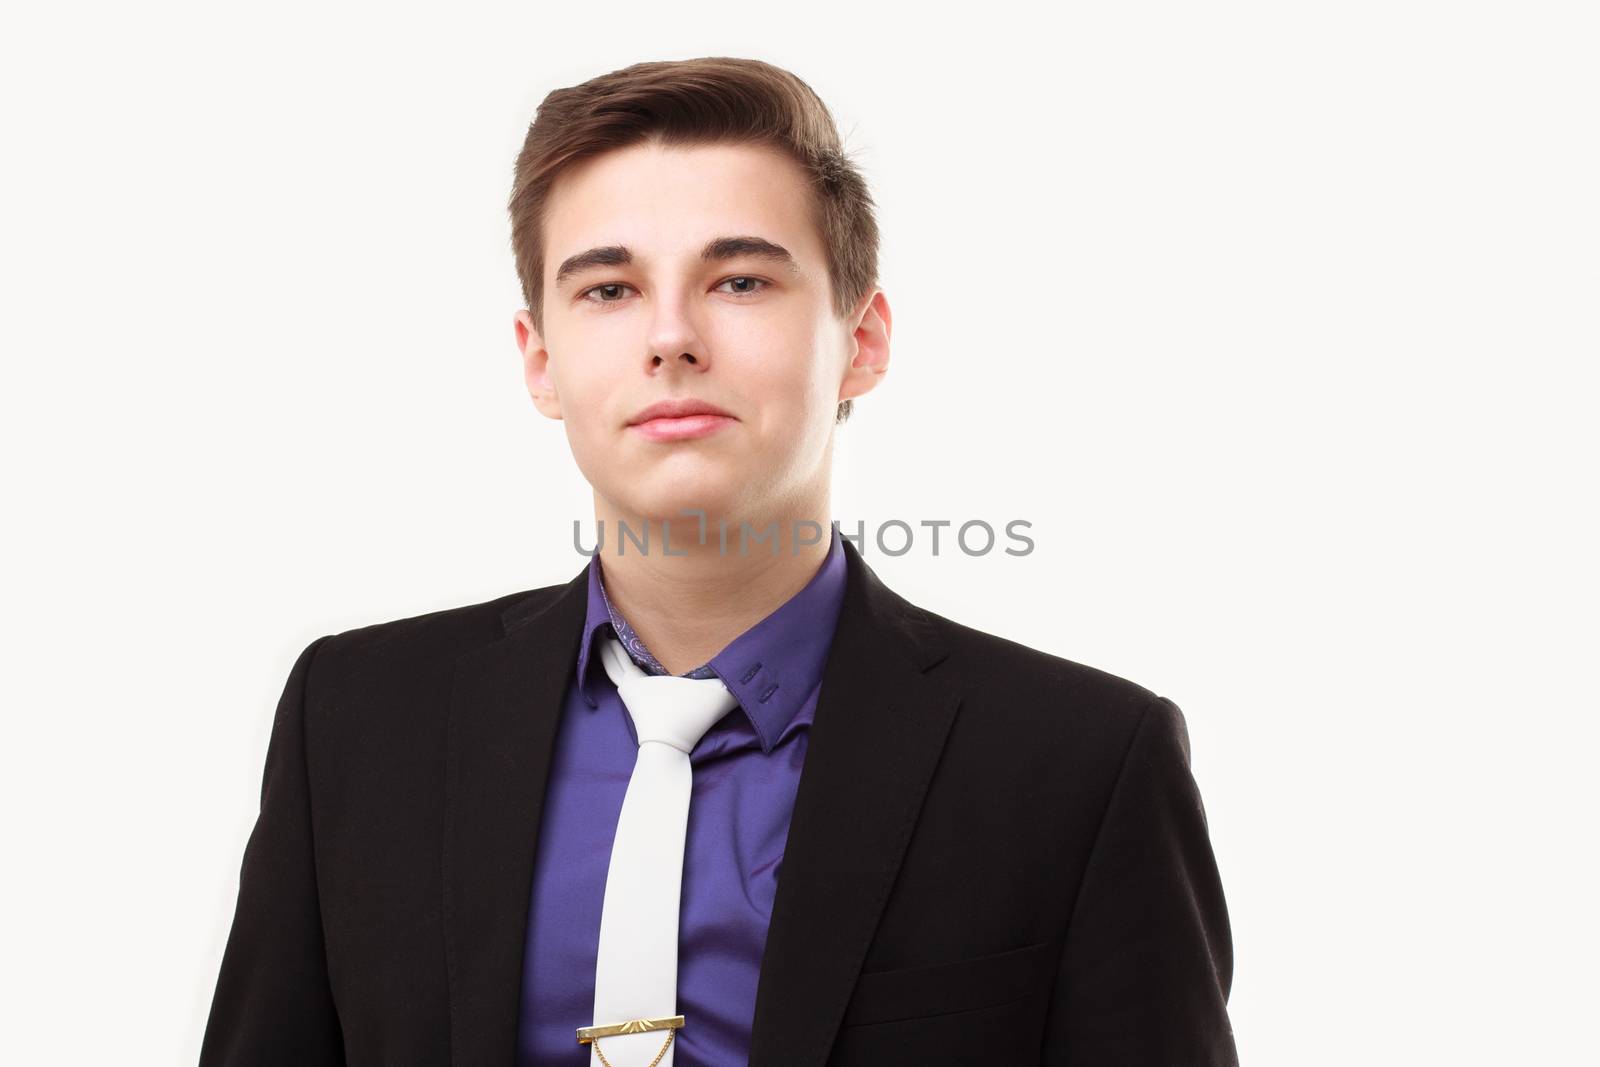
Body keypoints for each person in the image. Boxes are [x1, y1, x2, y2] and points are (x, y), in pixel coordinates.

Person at [199, 56, 1238, 1067]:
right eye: (607, 288)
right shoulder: (355, 717)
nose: (670, 336)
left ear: (863, 339)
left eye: (739, 279)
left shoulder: (1083, 763)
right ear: (540, 357)